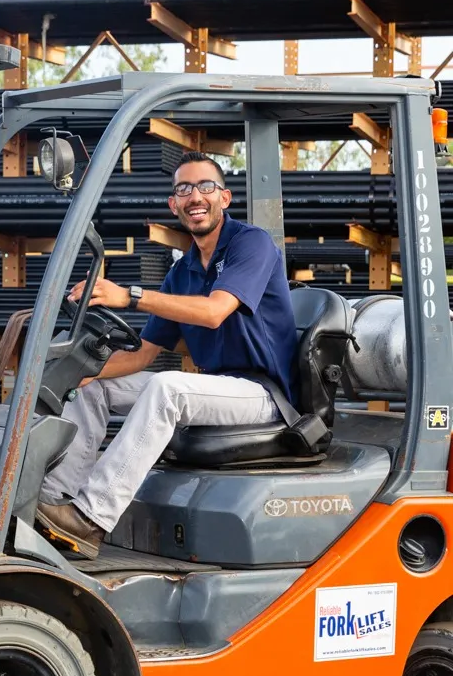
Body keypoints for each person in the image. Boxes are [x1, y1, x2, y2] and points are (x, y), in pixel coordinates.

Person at [36, 151, 297, 560]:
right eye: (184, 189)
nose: (195, 196)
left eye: (205, 186)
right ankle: (54, 504)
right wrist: (76, 374)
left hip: (263, 395)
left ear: (224, 198)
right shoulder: (183, 270)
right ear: (173, 205)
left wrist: (132, 296)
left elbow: (213, 312)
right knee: (93, 388)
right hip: (215, 389)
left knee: (167, 387)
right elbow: (142, 354)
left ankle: (90, 518)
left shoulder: (251, 244)